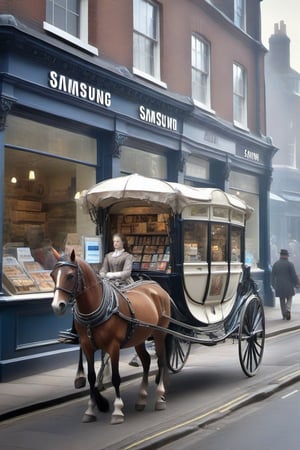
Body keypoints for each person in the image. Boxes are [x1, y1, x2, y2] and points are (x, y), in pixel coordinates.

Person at [59, 233, 133, 344]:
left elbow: (127, 272)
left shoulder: (127, 256)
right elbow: (103, 269)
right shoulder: (109, 256)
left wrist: (111, 275)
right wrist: (103, 274)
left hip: (123, 283)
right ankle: (75, 332)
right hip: (108, 282)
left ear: (123, 243)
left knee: (125, 302)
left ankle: (127, 325)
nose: (115, 244)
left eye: (118, 241)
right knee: (78, 303)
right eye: (114, 242)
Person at [271, 249, 299, 320]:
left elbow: (272, 276)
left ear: (280, 255)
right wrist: (296, 283)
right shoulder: (290, 264)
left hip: (279, 285)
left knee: (282, 300)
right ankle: (288, 310)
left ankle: (284, 314)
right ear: (287, 256)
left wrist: (273, 285)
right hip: (289, 285)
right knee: (289, 298)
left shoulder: (276, 264)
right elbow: (294, 275)